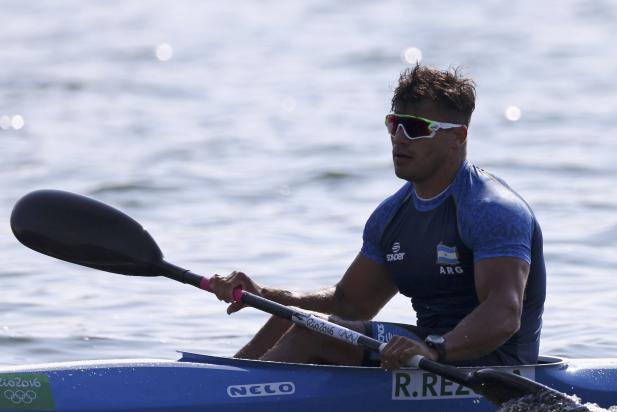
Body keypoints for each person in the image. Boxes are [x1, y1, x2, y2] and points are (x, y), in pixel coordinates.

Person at [211, 64, 545, 369]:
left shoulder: (492, 210)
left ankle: (229, 404)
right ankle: (220, 382)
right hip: (422, 352)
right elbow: (348, 303)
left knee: (315, 332)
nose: (400, 138)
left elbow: (504, 315)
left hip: (492, 362)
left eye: (415, 128)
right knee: (298, 318)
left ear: (458, 136)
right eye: (395, 125)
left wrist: (435, 350)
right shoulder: (391, 215)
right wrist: (264, 295)